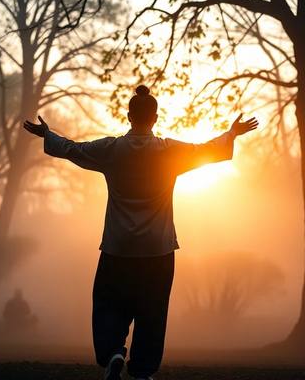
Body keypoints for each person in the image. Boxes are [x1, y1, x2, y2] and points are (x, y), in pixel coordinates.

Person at [23, 85, 258, 380]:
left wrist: (48, 135)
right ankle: (143, 370)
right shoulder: (168, 150)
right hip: (158, 248)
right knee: (153, 311)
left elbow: (73, 149)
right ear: (155, 118)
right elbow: (206, 151)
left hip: (118, 247)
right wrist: (231, 134)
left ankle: (113, 353)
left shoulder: (111, 149)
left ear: (129, 116)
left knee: (109, 303)